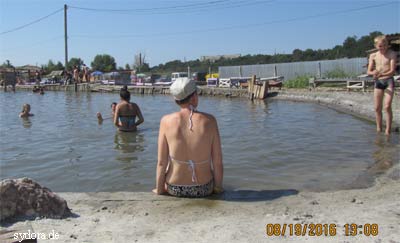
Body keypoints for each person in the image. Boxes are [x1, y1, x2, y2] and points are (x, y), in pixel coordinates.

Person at [153, 78, 223, 197]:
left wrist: (159, 190)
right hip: (204, 188)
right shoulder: (210, 121)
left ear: (176, 100)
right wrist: (217, 188)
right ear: (194, 97)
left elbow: (161, 163)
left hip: (174, 188)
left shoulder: (165, 121)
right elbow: (217, 162)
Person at [367, 35, 397, 135]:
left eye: (384, 45)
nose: (382, 48)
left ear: (387, 45)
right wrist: (374, 73)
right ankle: (379, 129)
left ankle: (388, 131)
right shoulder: (373, 56)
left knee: (387, 106)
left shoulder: (392, 54)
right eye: (380, 46)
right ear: (376, 46)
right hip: (378, 82)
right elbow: (369, 71)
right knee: (377, 108)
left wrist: (381, 74)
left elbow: (392, 71)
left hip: (388, 80)